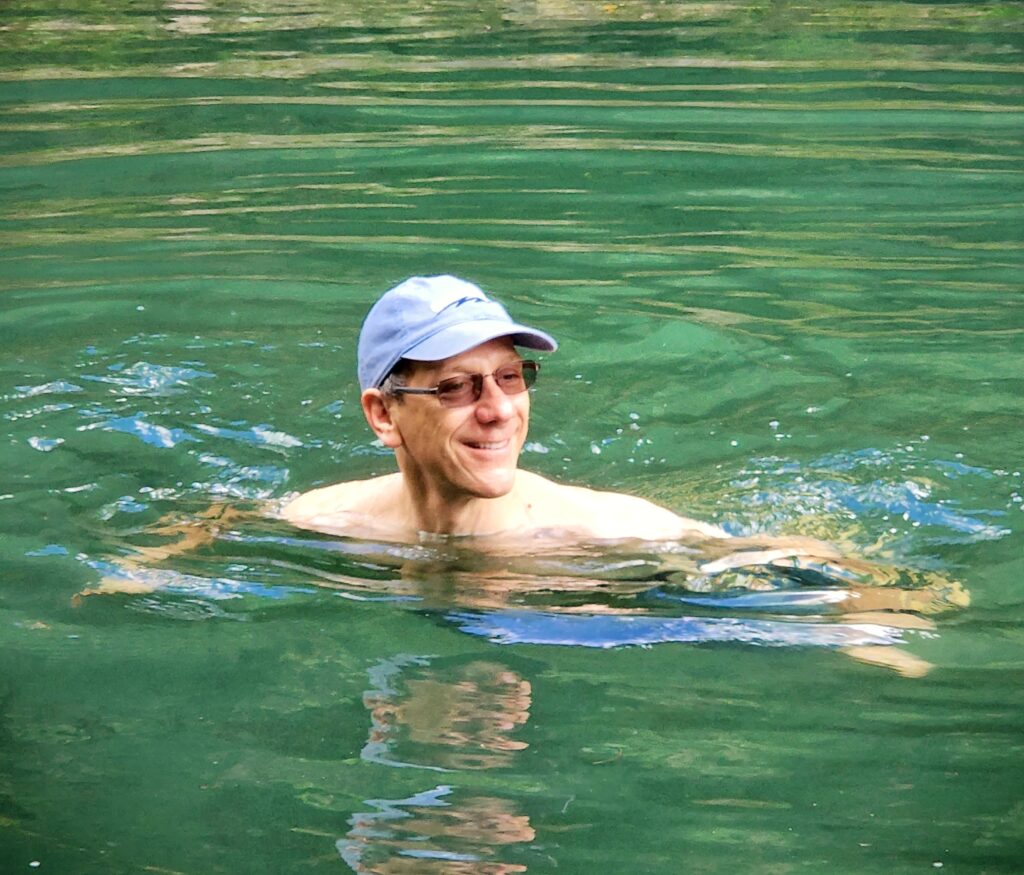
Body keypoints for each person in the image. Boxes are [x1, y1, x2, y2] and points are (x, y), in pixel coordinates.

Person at [280, 275, 729, 543]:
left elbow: (768, 562)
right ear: (383, 415)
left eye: (510, 378)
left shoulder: (606, 534)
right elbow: (224, 521)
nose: (498, 410)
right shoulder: (326, 521)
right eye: (456, 387)